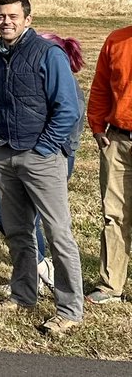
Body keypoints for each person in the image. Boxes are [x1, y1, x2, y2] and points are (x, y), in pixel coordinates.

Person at [0, 0, 83, 336]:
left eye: (13, 16)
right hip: (6, 155)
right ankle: (23, 294)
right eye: (0, 16)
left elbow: (68, 109)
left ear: (27, 19)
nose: (6, 21)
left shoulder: (48, 54)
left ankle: (70, 308)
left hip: (41, 157)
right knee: (18, 231)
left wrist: (44, 148)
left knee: (58, 234)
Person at [87, 21, 132, 305]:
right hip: (118, 140)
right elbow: (102, 86)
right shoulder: (117, 40)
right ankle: (111, 285)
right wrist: (97, 124)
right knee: (114, 214)